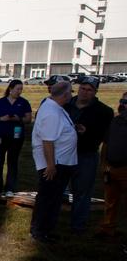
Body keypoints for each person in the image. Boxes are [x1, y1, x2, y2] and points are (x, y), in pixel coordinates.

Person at [31, 80, 78, 243]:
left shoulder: (56, 108)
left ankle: (47, 228)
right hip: (54, 163)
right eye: (71, 92)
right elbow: (47, 141)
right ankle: (39, 230)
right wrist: (50, 165)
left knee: (55, 198)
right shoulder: (51, 112)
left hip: (61, 161)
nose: (71, 95)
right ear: (65, 95)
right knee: (47, 197)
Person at [64, 77, 114, 234]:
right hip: (64, 153)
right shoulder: (66, 105)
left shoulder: (104, 111)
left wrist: (88, 132)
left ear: (95, 92)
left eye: (89, 90)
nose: (85, 92)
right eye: (83, 88)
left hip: (86, 154)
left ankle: (77, 225)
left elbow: (106, 136)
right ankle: (51, 220)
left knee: (83, 191)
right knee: (58, 188)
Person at [0, 79, 31, 197]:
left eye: (21, 89)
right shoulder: (0, 102)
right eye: (18, 89)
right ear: (10, 89)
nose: (19, 91)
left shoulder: (24, 102)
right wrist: (3, 119)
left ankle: (10, 188)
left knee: (12, 162)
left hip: (16, 136)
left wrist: (19, 119)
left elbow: (28, 119)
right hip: (0, 135)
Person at [98, 92, 127, 240]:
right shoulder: (115, 122)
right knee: (110, 201)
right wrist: (104, 164)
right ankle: (107, 229)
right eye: (124, 101)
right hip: (111, 168)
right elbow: (106, 144)